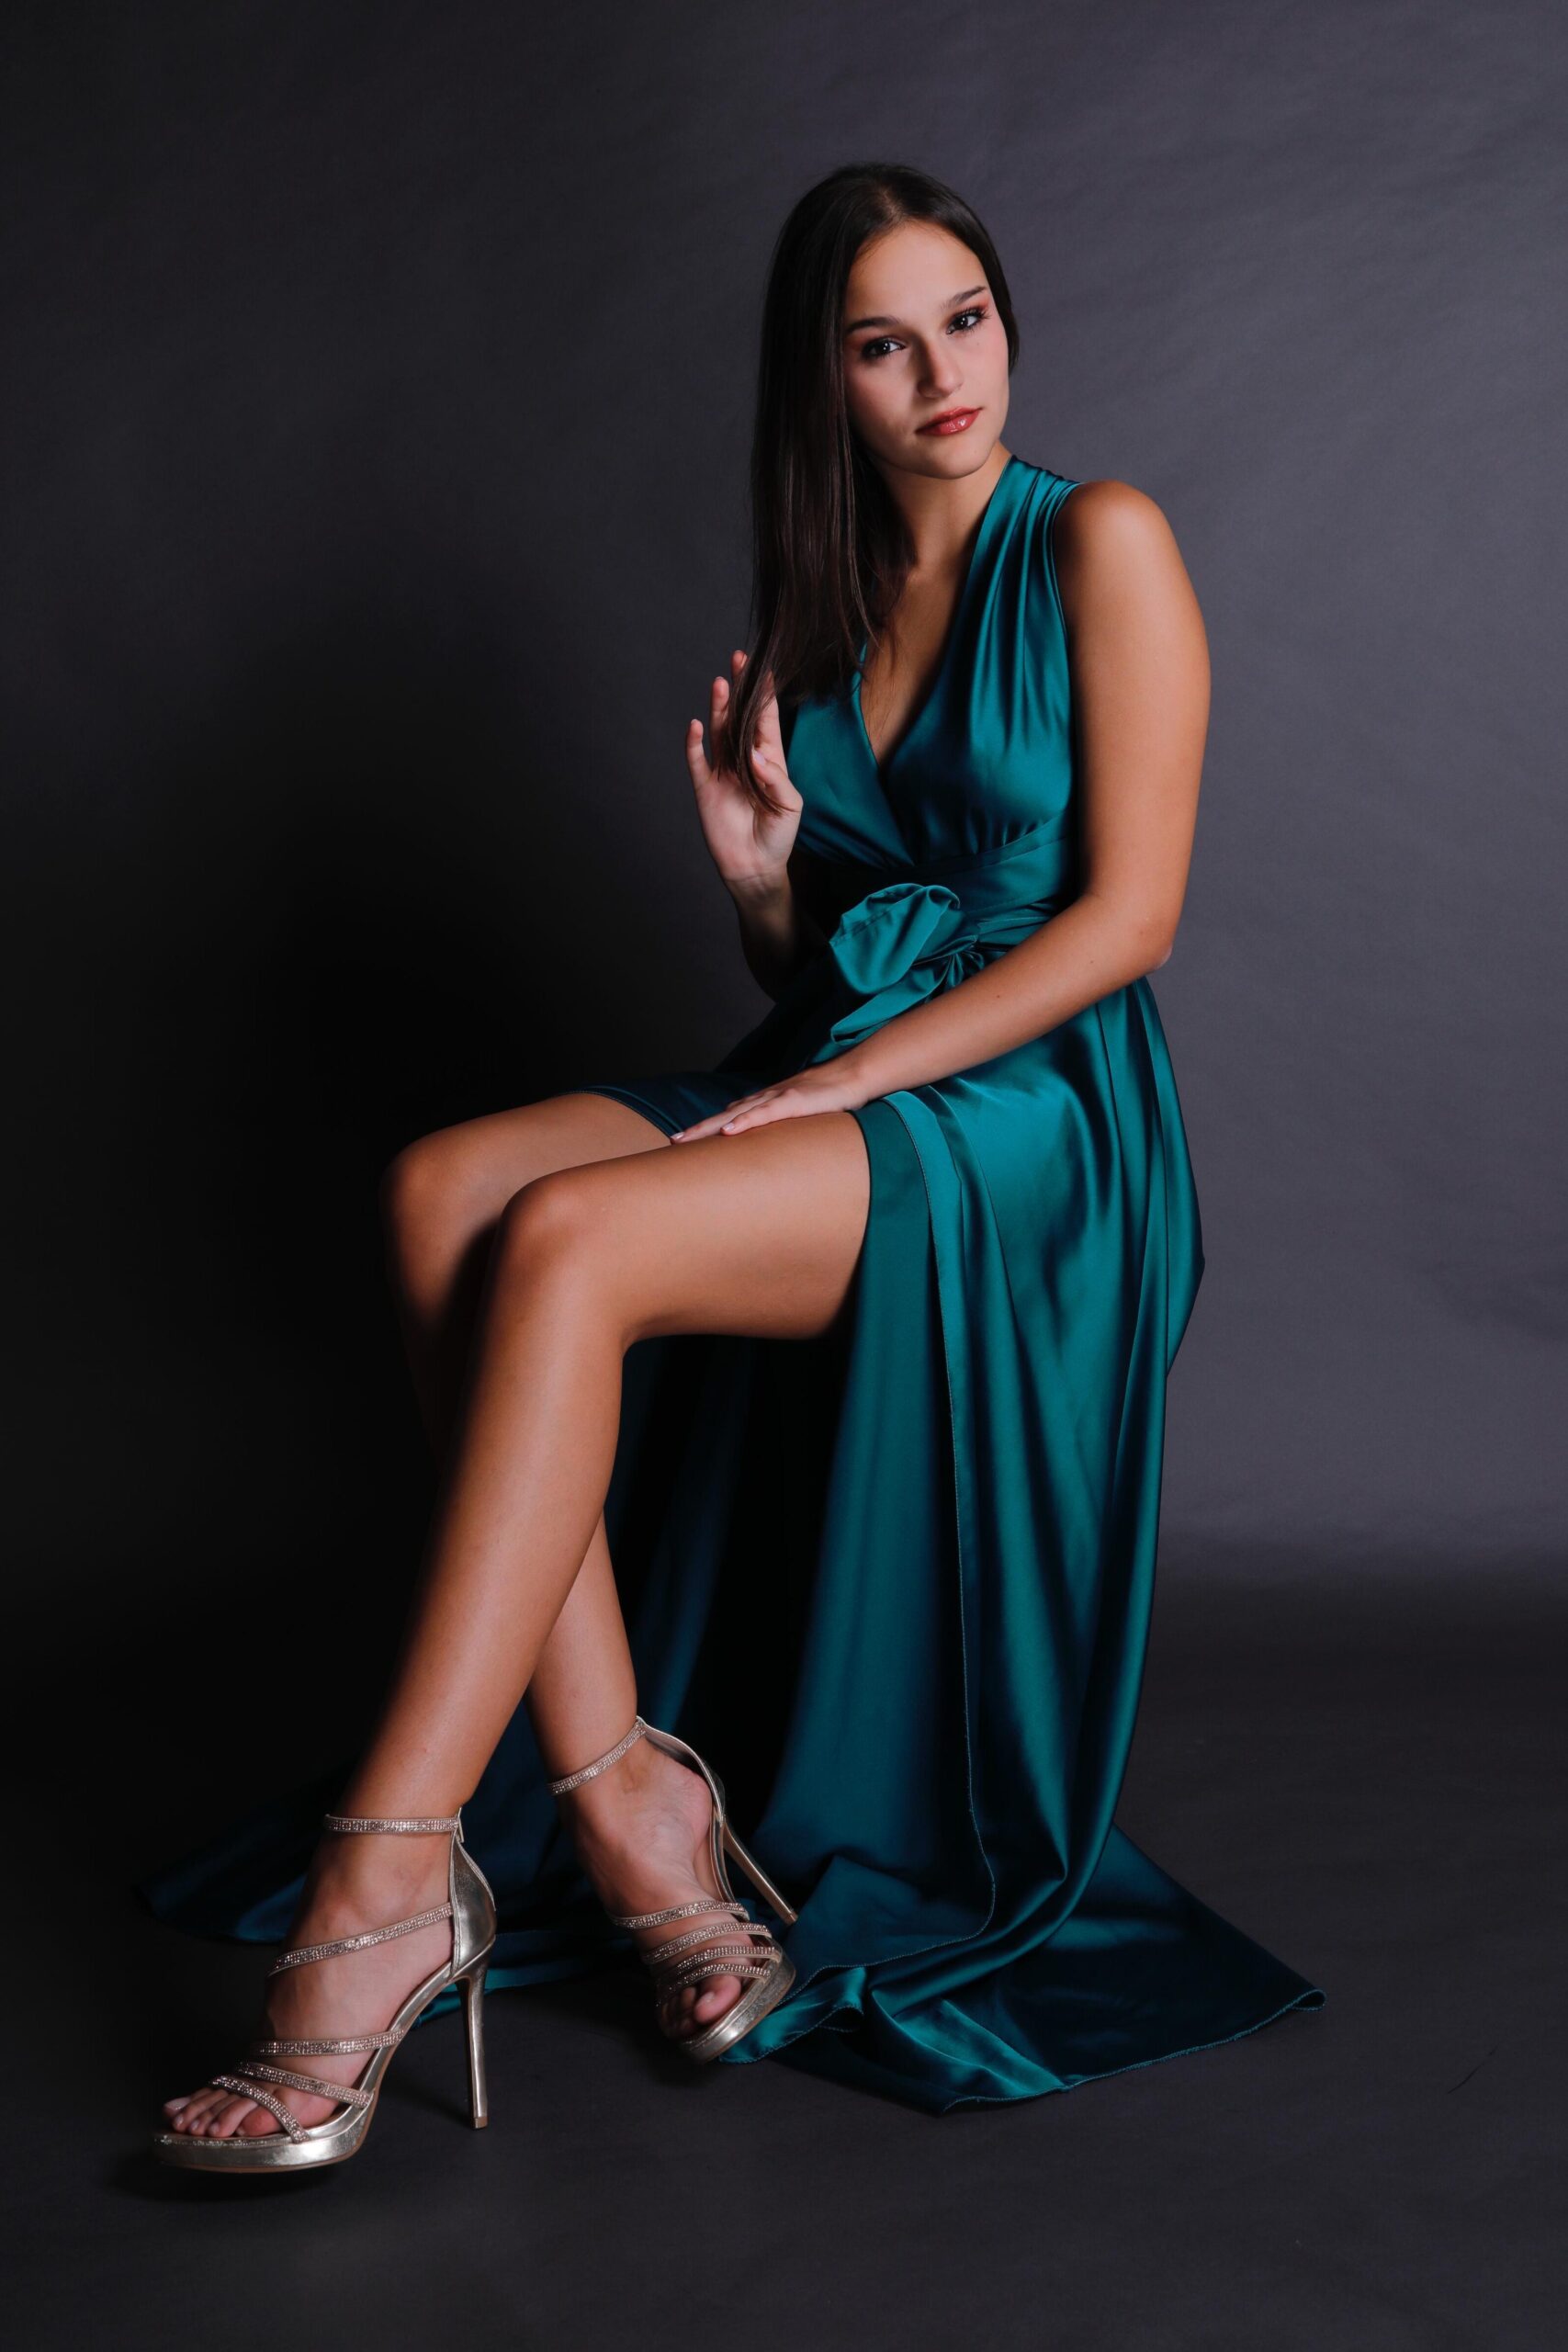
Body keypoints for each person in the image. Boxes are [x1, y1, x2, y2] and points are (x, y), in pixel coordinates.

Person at [151, 161, 1324, 2166]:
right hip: (850, 1070)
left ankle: (387, 1878)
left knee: (570, 1238)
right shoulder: (822, 603)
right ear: (823, 380)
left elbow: (1126, 921)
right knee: (441, 1191)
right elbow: (822, 962)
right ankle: (628, 1800)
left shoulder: (1098, 539)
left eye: (964, 318)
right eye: (883, 343)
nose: (942, 376)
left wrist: (840, 1078)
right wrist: (765, 885)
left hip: (1040, 1127)